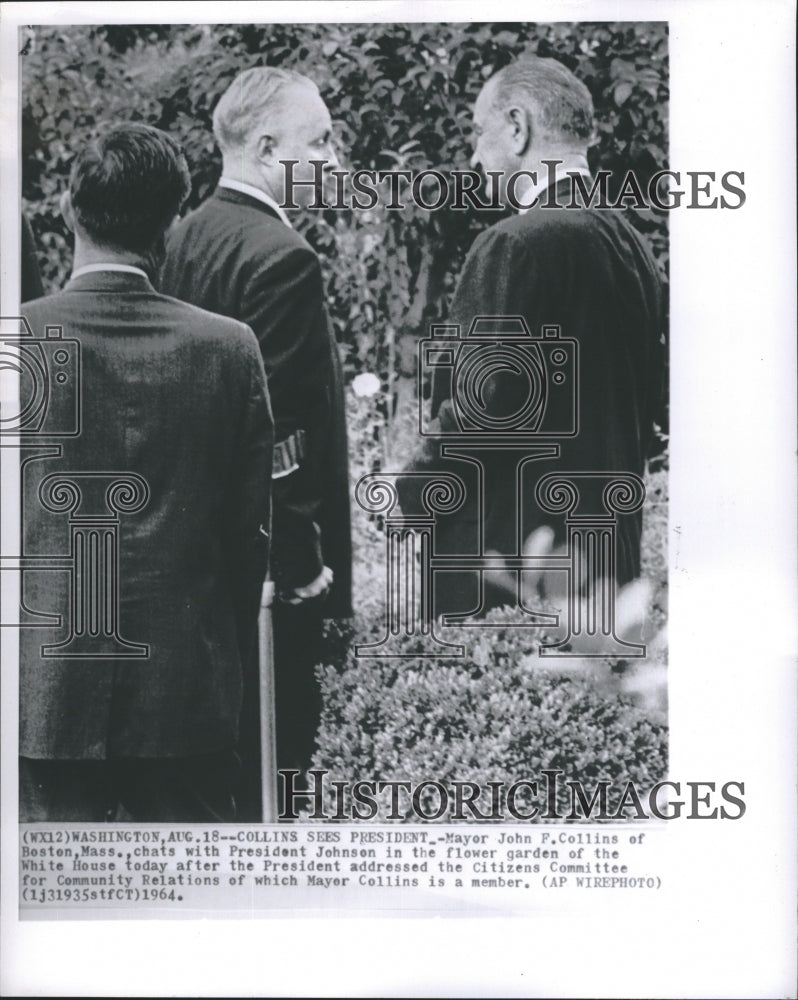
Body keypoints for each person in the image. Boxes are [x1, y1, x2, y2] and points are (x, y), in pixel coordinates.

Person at [19, 123, 273, 822]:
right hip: (185, 687)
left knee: (54, 914)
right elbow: (247, 535)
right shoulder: (229, 350)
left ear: (68, 208)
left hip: (45, 691)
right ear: (172, 221)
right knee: (189, 913)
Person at [404, 55, 664, 619]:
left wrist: (411, 488)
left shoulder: (514, 243)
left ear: (517, 127)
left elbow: (482, 404)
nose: (474, 156)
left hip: (511, 565)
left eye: (478, 131)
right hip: (605, 569)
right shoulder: (634, 249)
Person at [160, 67, 352, 806]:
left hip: (199, 557)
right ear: (269, 149)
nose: (333, 161)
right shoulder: (283, 257)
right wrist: (301, 565)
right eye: (322, 142)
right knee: (281, 767)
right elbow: (284, 434)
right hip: (272, 570)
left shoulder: (184, 239)